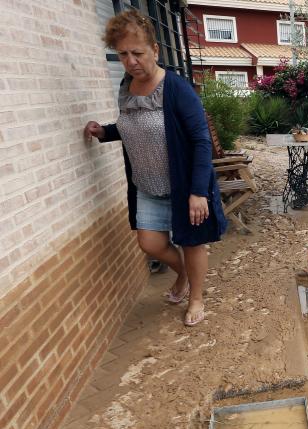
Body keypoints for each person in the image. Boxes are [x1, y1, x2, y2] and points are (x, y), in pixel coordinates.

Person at [84, 10, 227, 326]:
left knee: (191, 242)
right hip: (146, 185)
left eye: (138, 52)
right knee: (150, 243)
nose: (131, 61)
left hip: (183, 185)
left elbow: (201, 141)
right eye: (123, 54)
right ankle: (184, 277)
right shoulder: (126, 86)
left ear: (155, 50)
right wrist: (106, 132)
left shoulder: (176, 89)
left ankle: (196, 298)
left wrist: (197, 192)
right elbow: (135, 126)